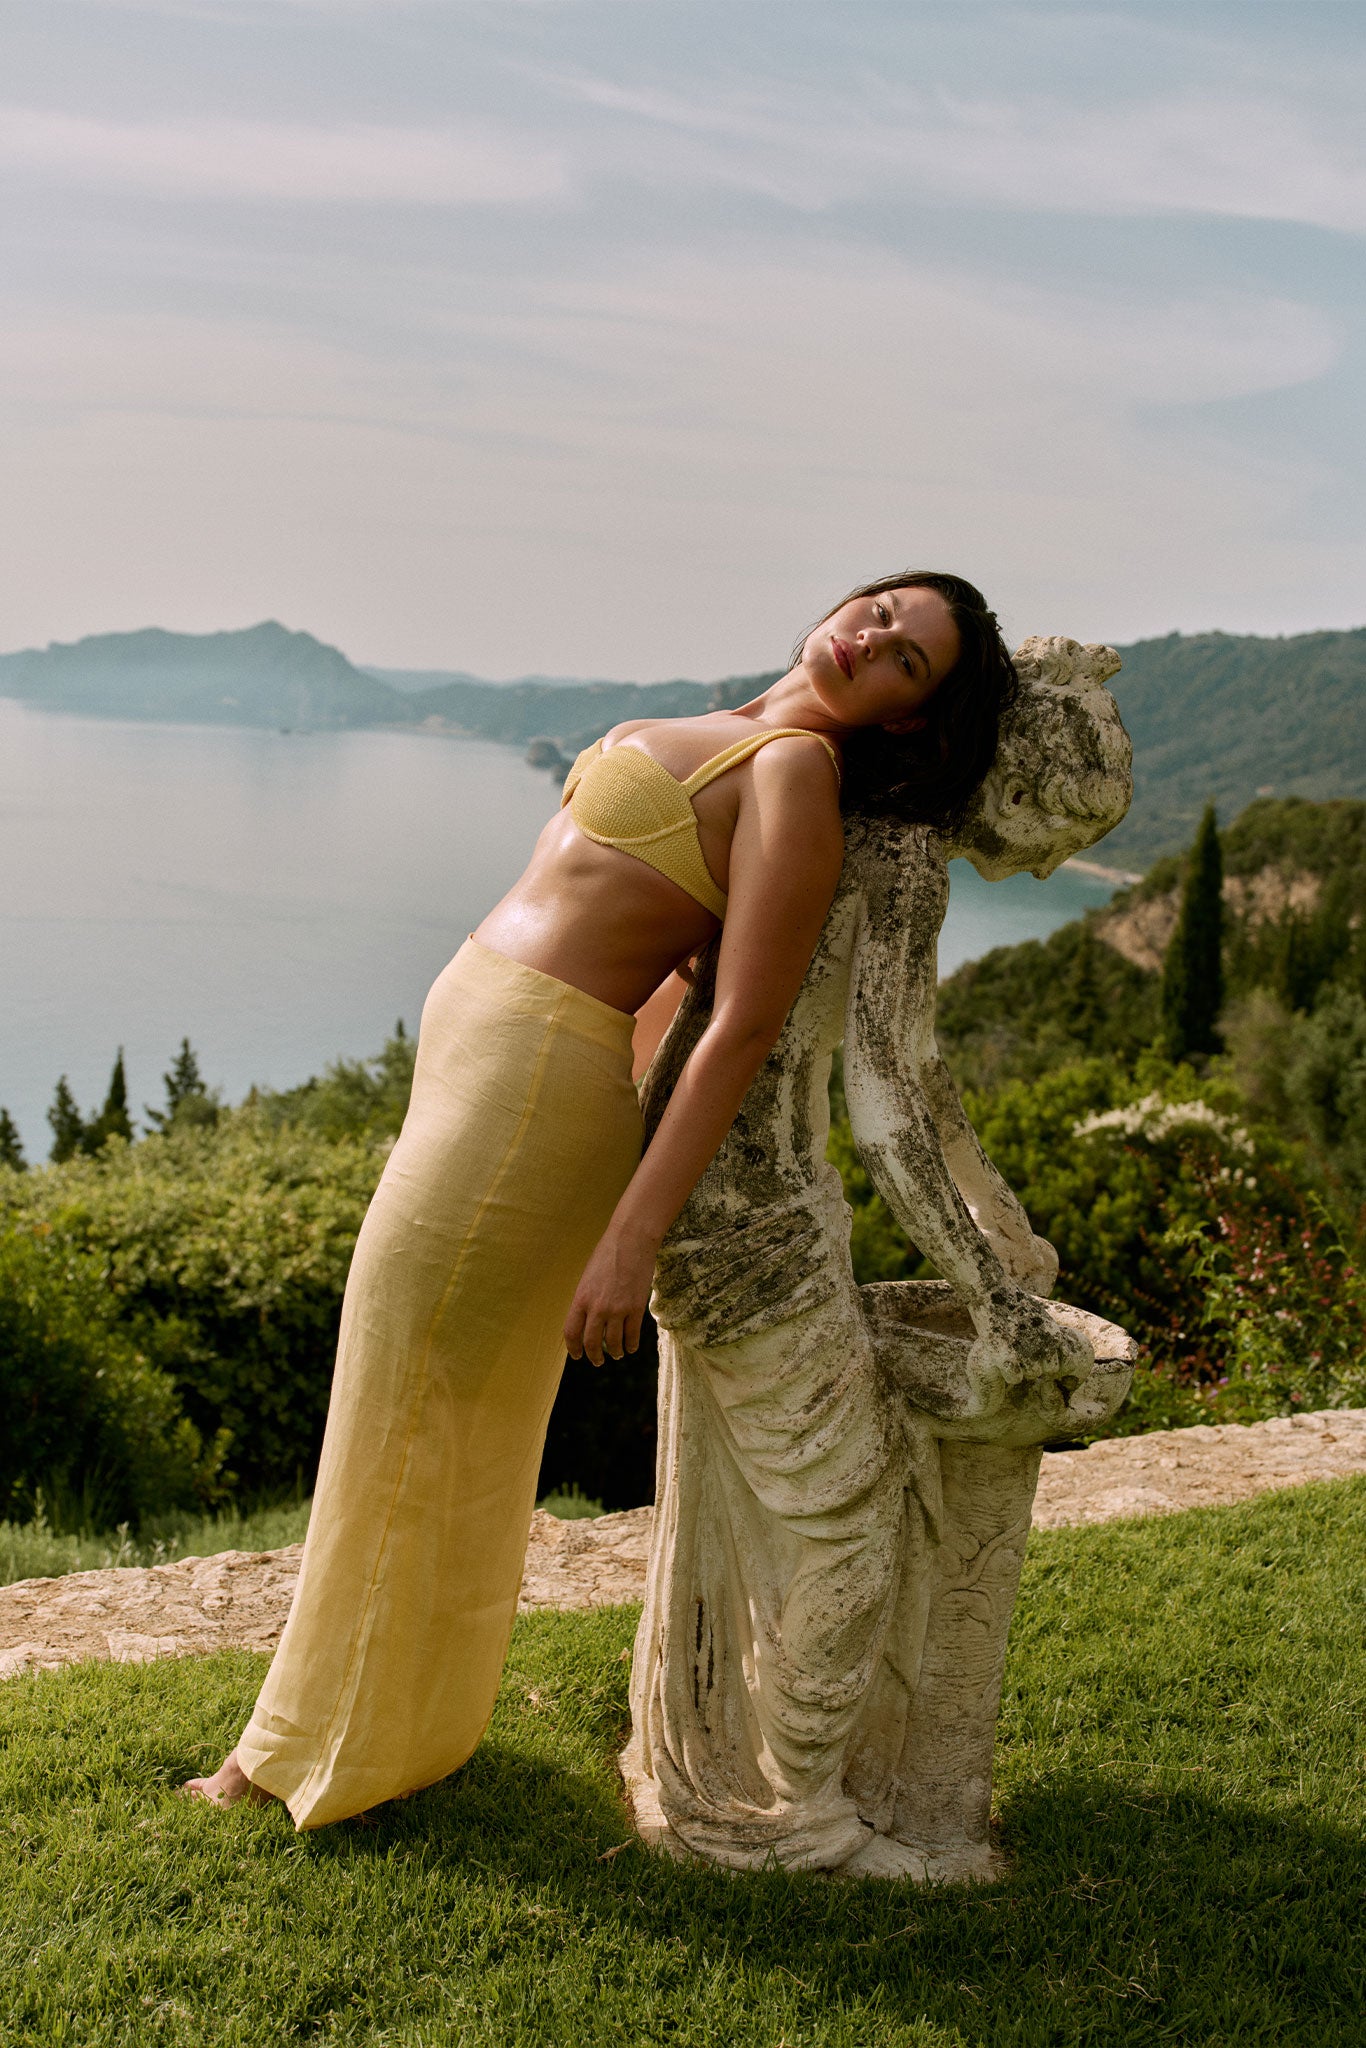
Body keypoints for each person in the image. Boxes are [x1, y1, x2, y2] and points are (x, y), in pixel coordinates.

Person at [183, 571, 1019, 1828]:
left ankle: (296, 1747)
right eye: (883, 610)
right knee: (415, 1399)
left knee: (403, 1400)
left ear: (907, 718)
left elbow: (739, 1022)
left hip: (525, 1094)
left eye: (907, 658)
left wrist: (629, 1235)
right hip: (487, 1065)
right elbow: (676, 974)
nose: (873, 637)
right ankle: (376, 1729)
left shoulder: (795, 775)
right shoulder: (736, 726)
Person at [623, 637, 1134, 1877]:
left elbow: (917, 1073)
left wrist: (997, 1225)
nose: (1046, 858)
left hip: (699, 1188)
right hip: (754, 1215)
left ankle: (703, 1744)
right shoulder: (897, 849)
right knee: (847, 1521)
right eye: (1058, 823)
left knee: (759, 1501)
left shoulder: (846, 801)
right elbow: (889, 1106)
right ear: (1010, 772)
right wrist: (991, 1299)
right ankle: (793, 1823)